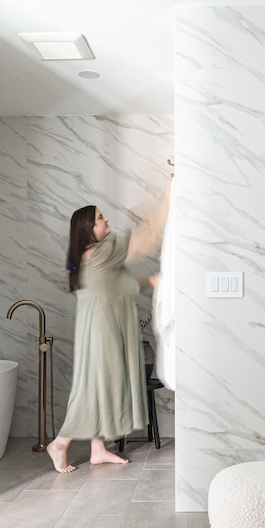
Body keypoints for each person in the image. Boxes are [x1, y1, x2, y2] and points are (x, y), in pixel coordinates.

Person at [46, 184, 171, 472]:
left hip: (96, 332)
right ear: (89, 229)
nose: (107, 221)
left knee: (100, 386)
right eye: (100, 218)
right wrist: (168, 196)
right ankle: (61, 443)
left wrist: (153, 281)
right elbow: (145, 238)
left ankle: (97, 449)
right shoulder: (103, 252)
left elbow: (117, 287)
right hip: (103, 334)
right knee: (93, 389)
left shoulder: (87, 258)